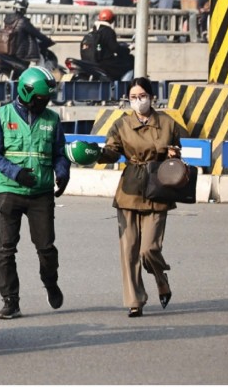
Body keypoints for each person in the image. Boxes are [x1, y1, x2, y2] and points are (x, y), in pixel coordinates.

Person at [95, 77, 184, 316]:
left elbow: (181, 151)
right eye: (133, 97)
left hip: (159, 187)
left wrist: (174, 155)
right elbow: (112, 152)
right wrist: (97, 154)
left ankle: (160, 277)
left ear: (151, 97)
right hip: (130, 189)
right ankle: (135, 301)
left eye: (142, 96)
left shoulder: (168, 123)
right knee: (129, 249)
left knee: (149, 249)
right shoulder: (121, 125)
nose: (138, 101)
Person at [0, 66, 69, 319]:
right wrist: (15, 172)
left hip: (41, 193)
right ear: (26, 91)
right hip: (9, 191)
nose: (43, 103)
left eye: (46, 99)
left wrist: (63, 172)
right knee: (6, 249)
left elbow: (59, 153)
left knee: (46, 247)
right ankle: (10, 301)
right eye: (40, 99)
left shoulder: (52, 119)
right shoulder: (1, 116)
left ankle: (50, 281)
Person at [86, 9, 134, 80]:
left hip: (92, 61)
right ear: (112, 20)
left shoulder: (93, 30)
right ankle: (122, 85)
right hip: (105, 63)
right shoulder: (108, 31)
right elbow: (115, 48)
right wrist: (127, 49)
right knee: (130, 61)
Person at [5, 0, 54, 64]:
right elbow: (37, 34)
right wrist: (48, 40)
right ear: (24, 9)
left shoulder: (7, 20)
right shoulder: (23, 21)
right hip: (21, 53)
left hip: (8, 50)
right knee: (39, 61)